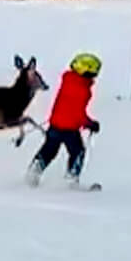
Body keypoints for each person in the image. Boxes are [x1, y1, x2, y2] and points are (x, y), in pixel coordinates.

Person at [28, 53, 102, 187]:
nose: (95, 76)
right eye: (94, 72)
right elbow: (77, 113)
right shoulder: (82, 89)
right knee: (78, 151)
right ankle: (71, 180)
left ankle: (34, 172)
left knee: (49, 150)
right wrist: (89, 123)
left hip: (55, 124)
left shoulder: (69, 80)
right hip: (69, 129)